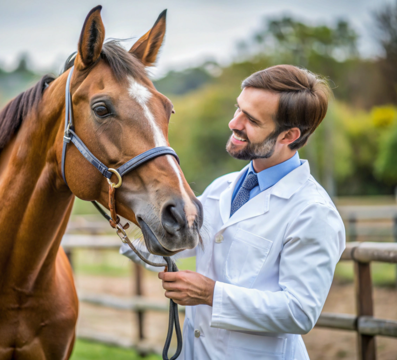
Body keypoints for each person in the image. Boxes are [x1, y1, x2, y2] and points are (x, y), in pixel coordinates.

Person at [121, 64, 345, 360]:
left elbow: (299, 312)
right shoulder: (221, 188)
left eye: (251, 119)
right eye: (238, 109)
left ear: (288, 135)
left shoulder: (313, 213)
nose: (234, 123)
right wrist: (127, 214)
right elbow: (169, 247)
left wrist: (211, 294)